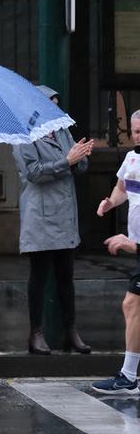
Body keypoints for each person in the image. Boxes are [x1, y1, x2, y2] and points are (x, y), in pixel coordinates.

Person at [12, 85, 93, 355]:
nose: (55, 109)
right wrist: (67, 161)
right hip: (40, 215)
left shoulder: (62, 130)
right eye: (51, 104)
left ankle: (71, 331)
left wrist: (81, 156)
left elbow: (77, 167)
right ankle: (36, 333)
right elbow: (34, 172)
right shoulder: (24, 135)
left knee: (65, 276)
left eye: (57, 104)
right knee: (40, 275)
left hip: (64, 213)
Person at [93, 110, 140, 394]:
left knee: (132, 305)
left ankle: (129, 376)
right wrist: (110, 202)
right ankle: (130, 375)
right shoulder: (132, 158)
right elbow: (123, 187)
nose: (138, 135)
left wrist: (128, 243)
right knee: (133, 306)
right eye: (135, 131)